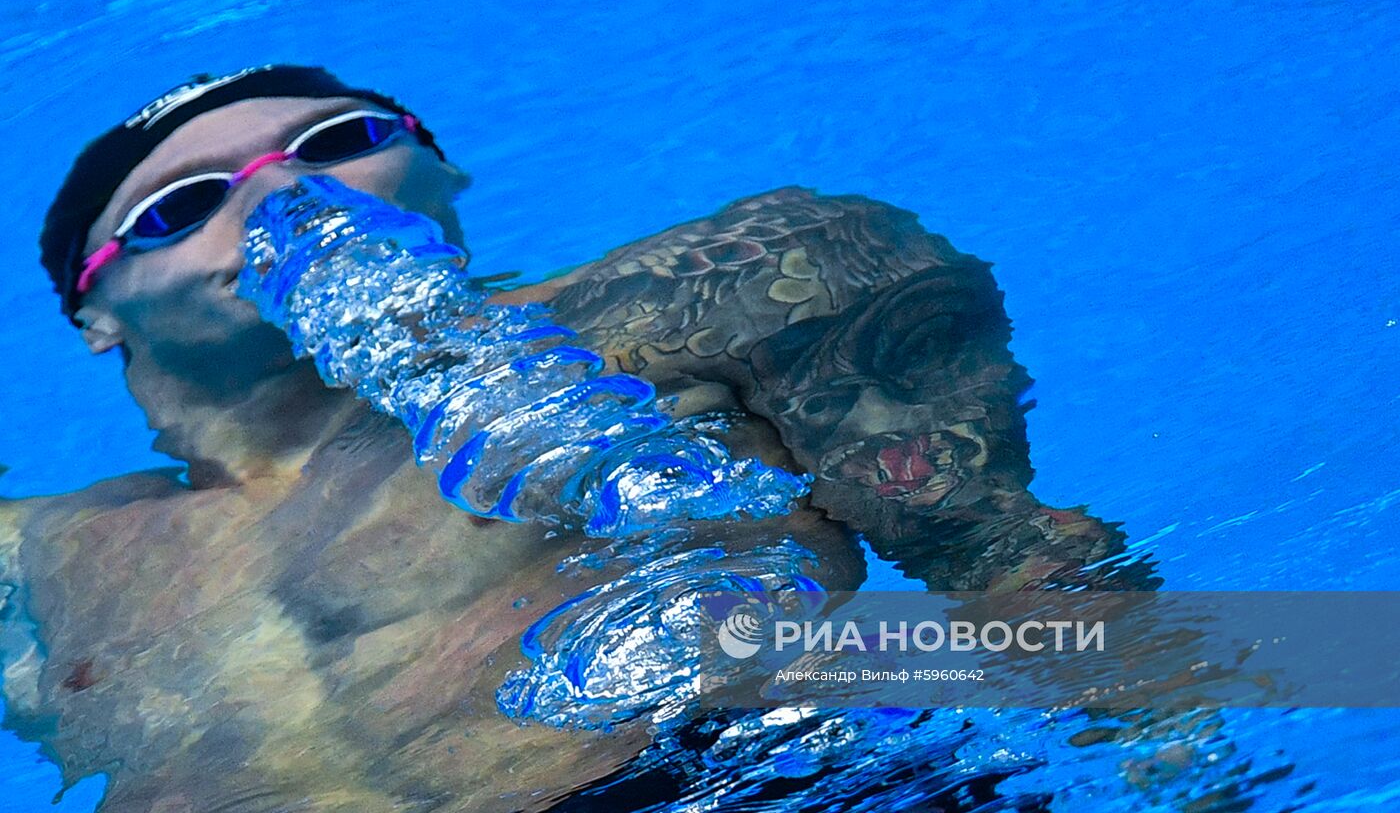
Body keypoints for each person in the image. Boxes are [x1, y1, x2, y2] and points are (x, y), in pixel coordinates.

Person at [1, 64, 1157, 812]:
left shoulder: (711, 296)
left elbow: (1012, 558)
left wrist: (1177, 765)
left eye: (338, 138)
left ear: (434, 173)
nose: (280, 194)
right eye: (179, 203)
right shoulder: (42, 557)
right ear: (97, 314)